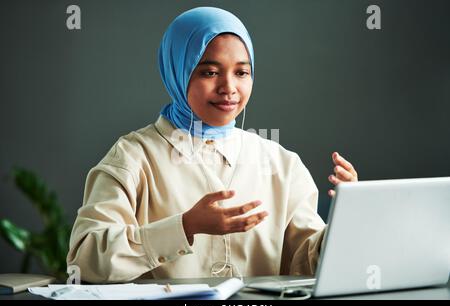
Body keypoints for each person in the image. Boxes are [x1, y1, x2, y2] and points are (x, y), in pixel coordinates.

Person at [67, 7, 358, 283]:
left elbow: (307, 264)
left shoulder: (281, 163)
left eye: (241, 72)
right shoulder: (133, 157)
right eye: (209, 72)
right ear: (177, 73)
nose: (228, 87)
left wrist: (348, 218)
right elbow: (84, 259)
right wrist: (184, 227)